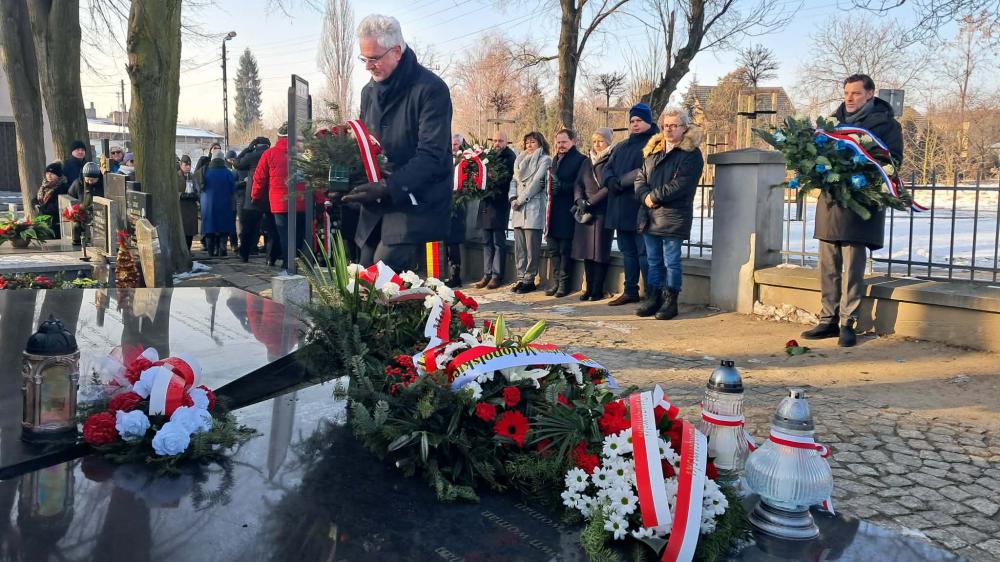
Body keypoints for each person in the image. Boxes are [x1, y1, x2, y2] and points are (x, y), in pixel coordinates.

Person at [341, 14, 453, 272]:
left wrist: (388, 186)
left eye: (374, 58)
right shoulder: (368, 92)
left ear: (397, 52)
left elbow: (432, 155)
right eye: (364, 59)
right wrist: (346, 182)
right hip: (376, 208)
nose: (368, 66)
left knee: (380, 278)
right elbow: (365, 147)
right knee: (362, 275)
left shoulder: (431, 89)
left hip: (415, 204)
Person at [803, 74, 903, 347]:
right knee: (827, 265)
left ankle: (848, 322)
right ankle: (828, 319)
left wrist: (858, 167)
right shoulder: (832, 123)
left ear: (870, 94)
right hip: (831, 201)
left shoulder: (886, 125)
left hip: (860, 201)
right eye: (846, 92)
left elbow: (893, 160)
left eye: (856, 93)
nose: (849, 98)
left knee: (853, 266)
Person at [634, 108, 704, 320]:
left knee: (671, 261)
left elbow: (682, 184)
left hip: (673, 216)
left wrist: (654, 196)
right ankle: (654, 298)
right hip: (650, 215)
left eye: (674, 125)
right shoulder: (653, 151)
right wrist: (645, 196)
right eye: (666, 125)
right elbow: (640, 178)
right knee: (653, 260)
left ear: (684, 128)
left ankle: (670, 301)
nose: (669, 129)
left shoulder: (691, 154)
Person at [604, 102, 659, 307]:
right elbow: (608, 167)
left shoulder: (654, 144)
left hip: (639, 206)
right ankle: (630, 290)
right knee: (627, 252)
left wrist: (621, 182)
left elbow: (645, 171)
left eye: (639, 120)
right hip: (619, 206)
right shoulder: (621, 146)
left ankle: (652, 294)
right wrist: (610, 180)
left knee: (644, 253)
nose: (635, 124)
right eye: (632, 121)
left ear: (649, 121)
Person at [252, 124, 308, 270]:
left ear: (279, 137)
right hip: (301, 201)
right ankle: (296, 261)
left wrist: (255, 196)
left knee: (284, 234)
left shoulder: (269, 154)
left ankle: (288, 263)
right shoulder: (303, 155)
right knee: (299, 234)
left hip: (279, 203)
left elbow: (259, 178)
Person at [572, 128, 615, 301]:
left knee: (600, 252)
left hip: (601, 210)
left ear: (608, 142)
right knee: (587, 253)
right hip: (585, 212)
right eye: (594, 141)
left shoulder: (612, 159)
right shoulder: (587, 161)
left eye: (601, 141)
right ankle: (588, 288)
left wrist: (591, 202)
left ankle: (597, 289)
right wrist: (579, 200)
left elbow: (608, 186)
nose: (597, 144)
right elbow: (578, 183)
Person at [508, 131, 550, 294]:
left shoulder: (545, 160)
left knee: (532, 248)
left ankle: (529, 279)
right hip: (518, 208)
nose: (529, 145)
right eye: (527, 142)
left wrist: (520, 200)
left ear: (540, 143)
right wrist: (513, 198)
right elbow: (513, 181)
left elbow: (536, 183)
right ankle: (520, 278)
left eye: (533, 142)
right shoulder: (519, 160)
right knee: (520, 248)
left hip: (533, 206)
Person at [545, 128, 586, 297]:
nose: (560, 145)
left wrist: (562, 186)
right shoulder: (555, 159)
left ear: (573, 141)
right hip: (553, 211)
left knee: (564, 249)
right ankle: (556, 282)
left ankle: (564, 284)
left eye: (564, 142)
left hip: (568, 211)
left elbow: (580, 184)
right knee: (553, 248)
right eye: (558, 142)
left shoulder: (581, 160)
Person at [474, 131, 516, 289]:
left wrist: (491, 180)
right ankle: (487, 274)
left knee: (498, 242)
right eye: (495, 140)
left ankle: (497, 276)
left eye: (500, 141)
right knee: (486, 242)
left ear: (506, 142)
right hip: (486, 204)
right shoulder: (487, 155)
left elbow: (507, 180)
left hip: (499, 205)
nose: (497, 143)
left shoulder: (509, 157)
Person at [235, 137, 274, 263]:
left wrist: (247, 149)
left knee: (248, 229)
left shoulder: (252, 156)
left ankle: (244, 254)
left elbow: (237, 163)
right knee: (272, 229)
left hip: (253, 198)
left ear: (255, 145)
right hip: (270, 197)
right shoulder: (271, 154)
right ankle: (271, 256)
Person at [200, 150, 237, 257]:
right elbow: (233, 189)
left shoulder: (205, 172)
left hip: (208, 206)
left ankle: (210, 252)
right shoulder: (228, 173)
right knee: (223, 228)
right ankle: (222, 249)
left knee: (209, 228)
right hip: (224, 205)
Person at [445, 133, 469, 287]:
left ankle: (456, 275)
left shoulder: (465, 160)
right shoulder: (445, 158)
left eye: (455, 144)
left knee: (453, 242)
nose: (453, 147)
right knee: (446, 243)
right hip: (444, 205)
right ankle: (446, 273)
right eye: (451, 144)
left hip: (457, 205)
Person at [32, 162, 68, 239]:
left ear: (58, 175)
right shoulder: (44, 186)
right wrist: (35, 204)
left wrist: (42, 209)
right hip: (43, 220)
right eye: (47, 173)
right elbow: (36, 199)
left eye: (52, 174)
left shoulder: (62, 187)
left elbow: (57, 205)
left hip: (55, 222)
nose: (49, 176)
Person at [177, 155, 199, 250]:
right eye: (186, 165)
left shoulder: (193, 176)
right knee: (182, 231)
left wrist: (195, 195)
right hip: (181, 208)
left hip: (191, 207)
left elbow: (198, 190)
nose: (188, 167)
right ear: (181, 165)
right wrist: (181, 195)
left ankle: (188, 250)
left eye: (189, 165)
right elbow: (172, 191)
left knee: (190, 232)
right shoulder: (176, 176)